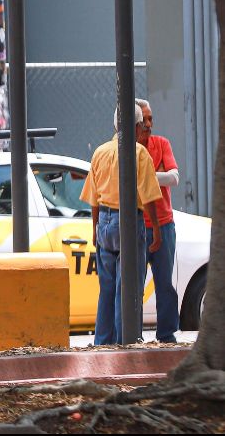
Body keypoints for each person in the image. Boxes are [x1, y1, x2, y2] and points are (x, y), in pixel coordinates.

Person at [79, 105, 163, 346]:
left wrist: (95, 228)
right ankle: (124, 342)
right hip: (128, 221)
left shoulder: (99, 153)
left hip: (104, 222)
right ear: (136, 127)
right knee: (126, 289)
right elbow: (147, 197)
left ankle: (102, 343)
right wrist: (156, 229)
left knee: (107, 289)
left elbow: (93, 198)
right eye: (142, 126)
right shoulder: (138, 153)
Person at [136, 98, 180, 343]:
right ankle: (135, 335)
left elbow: (173, 177)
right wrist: (158, 175)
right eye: (145, 119)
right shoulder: (128, 149)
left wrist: (146, 176)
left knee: (165, 284)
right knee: (135, 285)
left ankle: (167, 335)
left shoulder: (161, 144)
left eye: (151, 118)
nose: (150, 124)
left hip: (164, 224)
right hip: (139, 225)